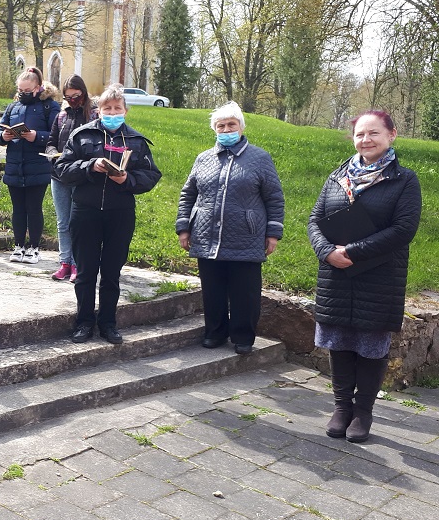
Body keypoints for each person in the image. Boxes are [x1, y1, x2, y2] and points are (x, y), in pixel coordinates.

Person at [308, 110, 421, 443]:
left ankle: (363, 413)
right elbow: (315, 220)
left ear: (391, 135)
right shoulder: (337, 177)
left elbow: (404, 230)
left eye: (373, 133)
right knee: (339, 342)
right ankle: (342, 408)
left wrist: (352, 251)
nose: (365, 140)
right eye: (359, 134)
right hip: (337, 276)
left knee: (371, 345)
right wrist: (325, 251)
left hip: (378, 276)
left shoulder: (404, 180)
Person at [54, 84, 161, 345]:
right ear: (98, 111)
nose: (112, 112)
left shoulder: (136, 141)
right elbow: (62, 169)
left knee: (112, 273)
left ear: (126, 110)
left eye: (117, 108)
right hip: (85, 211)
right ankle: (83, 322)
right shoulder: (81, 136)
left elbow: (151, 175)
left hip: (120, 214)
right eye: (107, 108)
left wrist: (127, 179)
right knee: (86, 271)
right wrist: (91, 166)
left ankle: (108, 323)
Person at [176, 101, 285, 356]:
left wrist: (272, 233)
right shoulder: (204, 159)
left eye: (231, 125)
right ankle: (214, 332)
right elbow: (187, 194)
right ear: (215, 129)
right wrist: (184, 228)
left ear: (241, 127)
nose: (226, 130)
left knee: (244, 292)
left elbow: (274, 197)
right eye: (221, 126)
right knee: (212, 290)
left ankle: (243, 337)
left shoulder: (259, 158)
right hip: (206, 235)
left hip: (246, 236)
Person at [0, 67, 60, 263]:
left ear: (38, 88)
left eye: (27, 90)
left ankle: (34, 247)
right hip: (15, 165)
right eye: (19, 90)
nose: (22, 93)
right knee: (18, 209)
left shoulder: (49, 106)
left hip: (38, 165)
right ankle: (18, 246)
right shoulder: (13, 107)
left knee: (34, 208)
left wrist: (37, 136)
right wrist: (3, 136)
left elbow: (57, 135)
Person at [47, 74, 96, 282]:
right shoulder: (61, 115)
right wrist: (51, 155)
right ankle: (65, 262)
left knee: (79, 222)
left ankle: (78, 264)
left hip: (81, 176)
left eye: (76, 96)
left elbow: (95, 146)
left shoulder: (93, 115)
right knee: (62, 222)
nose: (72, 100)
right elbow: (51, 141)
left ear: (83, 93)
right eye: (68, 97)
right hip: (59, 175)